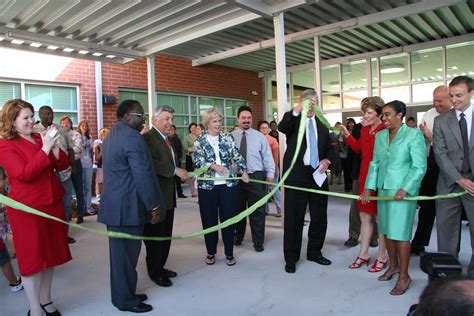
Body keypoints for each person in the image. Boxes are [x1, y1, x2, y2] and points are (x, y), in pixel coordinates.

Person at [0, 99, 72, 316]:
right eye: (26, 118)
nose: (32, 121)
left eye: (32, 116)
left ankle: (46, 300)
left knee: (50, 255)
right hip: (28, 210)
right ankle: (34, 308)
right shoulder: (5, 145)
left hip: (51, 203)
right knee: (32, 259)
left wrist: (54, 146)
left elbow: (62, 164)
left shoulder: (39, 138)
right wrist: (46, 147)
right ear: (12, 121)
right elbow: (25, 173)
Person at [98, 100, 166, 313]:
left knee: (121, 259)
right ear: (127, 116)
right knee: (125, 259)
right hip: (127, 209)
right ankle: (125, 301)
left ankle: (124, 293)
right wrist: (153, 205)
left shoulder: (112, 134)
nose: (143, 119)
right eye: (140, 115)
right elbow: (142, 175)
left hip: (116, 207)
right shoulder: (133, 137)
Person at [362, 100, 426, 295]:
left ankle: (404, 276)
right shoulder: (380, 135)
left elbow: (419, 166)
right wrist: (368, 188)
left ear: (400, 115)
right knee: (387, 231)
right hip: (383, 191)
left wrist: (405, 189)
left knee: (401, 234)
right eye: (383, 115)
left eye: (388, 114)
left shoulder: (414, 135)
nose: (384, 118)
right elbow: (374, 164)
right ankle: (394, 266)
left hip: (402, 193)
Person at [278, 89, 334, 273]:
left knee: (319, 217)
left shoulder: (322, 124)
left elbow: (329, 148)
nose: (312, 105)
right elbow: (282, 126)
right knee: (294, 218)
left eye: (315, 102)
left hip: (317, 176)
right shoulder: (294, 121)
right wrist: (298, 109)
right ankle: (291, 258)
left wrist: (327, 160)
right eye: (309, 102)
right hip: (296, 176)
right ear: (301, 103)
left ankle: (315, 252)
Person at [193, 108, 249, 266]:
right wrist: (214, 166)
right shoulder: (200, 140)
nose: (218, 124)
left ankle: (229, 253)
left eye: (219, 121)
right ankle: (211, 252)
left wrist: (243, 170)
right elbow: (197, 162)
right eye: (214, 121)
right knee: (209, 220)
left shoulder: (227, 137)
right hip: (207, 187)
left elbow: (237, 155)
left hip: (228, 185)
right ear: (207, 124)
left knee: (228, 220)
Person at [339, 96, 388, 273]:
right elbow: (359, 149)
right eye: (364, 112)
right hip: (363, 178)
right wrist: (346, 134)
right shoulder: (365, 130)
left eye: (368, 113)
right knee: (364, 217)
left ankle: (382, 256)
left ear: (379, 115)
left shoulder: (385, 130)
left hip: (378, 180)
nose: (364, 116)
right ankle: (364, 253)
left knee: (380, 220)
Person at [143, 106, 189, 288]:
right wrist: (174, 170)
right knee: (155, 237)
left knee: (165, 235)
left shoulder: (166, 140)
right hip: (156, 198)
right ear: (155, 120)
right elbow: (150, 163)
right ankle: (155, 272)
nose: (171, 122)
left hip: (168, 198)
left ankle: (160, 266)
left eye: (171, 118)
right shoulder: (148, 139)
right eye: (166, 119)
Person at [433, 75, 474, 277]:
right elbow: (440, 154)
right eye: (452, 96)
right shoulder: (441, 121)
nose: (455, 100)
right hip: (449, 183)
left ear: (471, 93)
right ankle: (447, 274)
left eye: (459, 95)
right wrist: (459, 179)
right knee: (446, 232)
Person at [411, 86, 452, 255]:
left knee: (449, 209)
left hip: (452, 166)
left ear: (450, 99)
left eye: (440, 101)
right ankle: (419, 243)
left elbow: (454, 148)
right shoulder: (429, 114)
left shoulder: (456, 117)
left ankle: (449, 251)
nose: (436, 104)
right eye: (434, 100)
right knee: (427, 207)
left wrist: (431, 138)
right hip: (431, 164)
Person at [232, 106, 274, 252]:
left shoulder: (259, 136)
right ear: (238, 119)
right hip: (236, 177)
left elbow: (267, 156)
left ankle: (258, 241)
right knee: (237, 210)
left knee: (258, 211)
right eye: (243, 118)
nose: (246, 120)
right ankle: (238, 236)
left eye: (249, 118)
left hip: (256, 176)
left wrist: (270, 174)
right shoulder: (231, 136)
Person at [33, 106, 78, 243]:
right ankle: (49, 235)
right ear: (40, 115)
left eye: (51, 113)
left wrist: (73, 165)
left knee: (65, 204)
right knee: (50, 206)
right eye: (47, 114)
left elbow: (70, 148)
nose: (50, 116)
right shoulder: (34, 131)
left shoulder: (61, 129)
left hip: (64, 172)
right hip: (46, 175)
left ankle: (63, 235)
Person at [0, 167, 23, 293]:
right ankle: (14, 283)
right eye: (3, 179)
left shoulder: (4, 192)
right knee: (4, 259)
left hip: (3, 227)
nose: (5, 182)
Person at [258, 120, 281, 217]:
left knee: (274, 189)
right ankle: (265, 209)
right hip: (260, 168)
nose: (264, 129)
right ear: (259, 129)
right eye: (262, 128)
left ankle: (280, 208)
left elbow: (276, 157)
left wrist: (275, 170)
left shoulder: (273, 140)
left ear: (269, 129)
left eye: (266, 128)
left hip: (272, 167)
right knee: (263, 190)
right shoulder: (256, 139)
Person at [78, 120, 94, 215]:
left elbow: (91, 151)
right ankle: (82, 207)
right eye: (82, 126)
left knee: (88, 186)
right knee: (81, 186)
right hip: (80, 163)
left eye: (86, 126)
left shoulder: (90, 138)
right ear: (79, 127)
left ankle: (88, 207)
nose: (84, 127)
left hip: (88, 163)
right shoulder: (76, 136)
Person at [169, 124, 186, 198]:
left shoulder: (177, 139)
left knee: (178, 178)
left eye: (173, 130)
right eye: (171, 129)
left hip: (176, 160)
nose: (172, 131)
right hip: (170, 162)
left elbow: (180, 150)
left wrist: (179, 158)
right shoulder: (167, 139)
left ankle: (180, 193)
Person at [93, 128, 110, 204]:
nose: (106, 136)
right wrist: (102, 150)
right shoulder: (98, 146)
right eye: (105, 135)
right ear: (101, 136)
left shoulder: (111, 145)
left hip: (109, 167)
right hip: (101, 166)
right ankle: (99, 195)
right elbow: (97, 159)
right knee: (100, 181)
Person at [183, 123, 198, 197]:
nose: (193, 129)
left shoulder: (200, 136)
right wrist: (193, 149)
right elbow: (185, 148)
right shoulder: (187, 137)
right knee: (192, 176)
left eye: (194, 127)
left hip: (199, 158)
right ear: (189, 129)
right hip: (190, 158)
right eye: (191, 128)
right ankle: (193, 192)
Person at [341, 118, 355, 193]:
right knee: (346, 171)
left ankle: (352, 186)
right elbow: (340, 141)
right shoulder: (344, 132)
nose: (350, 125)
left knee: (353, 171)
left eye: (352, 123)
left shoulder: (356, 131)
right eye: (349, 123)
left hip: (354, 154)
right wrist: (343, 149)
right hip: (345, 155)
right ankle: (347, 187)